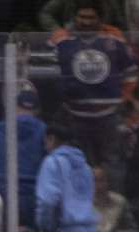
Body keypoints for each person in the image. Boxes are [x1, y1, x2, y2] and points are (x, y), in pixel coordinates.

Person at [48, 0, 136, 175]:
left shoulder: (114, 36)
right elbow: (50, 71)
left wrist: (122, 99)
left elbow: (131, 71)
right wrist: (64, 95)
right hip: (75, 116)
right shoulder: (61, 38)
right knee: (79, 166)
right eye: (82, 17)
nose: (86, 22)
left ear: (100, 19)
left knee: (113, 165)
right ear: (74, 17)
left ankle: (114, 202)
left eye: (91, 17)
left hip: (109, 117)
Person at [35, 123, 100, 232]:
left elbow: (47, 200)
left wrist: (45, 226)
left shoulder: (52, 162)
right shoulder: (85, 165)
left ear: (51, 139)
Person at [0, 87, 45, 230]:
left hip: (4, 192)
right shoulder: (45, 132)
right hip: (33, 194)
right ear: (36, 110)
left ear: (15, 106)